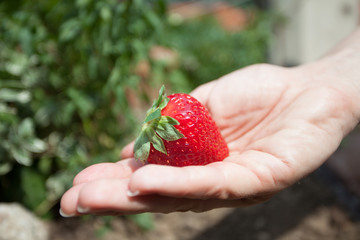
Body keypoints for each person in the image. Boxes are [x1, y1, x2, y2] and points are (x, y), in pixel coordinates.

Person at [59, 26, 360, 217]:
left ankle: (345, 177)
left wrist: (334, 80)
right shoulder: (179, 115)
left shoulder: (181, 112)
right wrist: (334, 76)